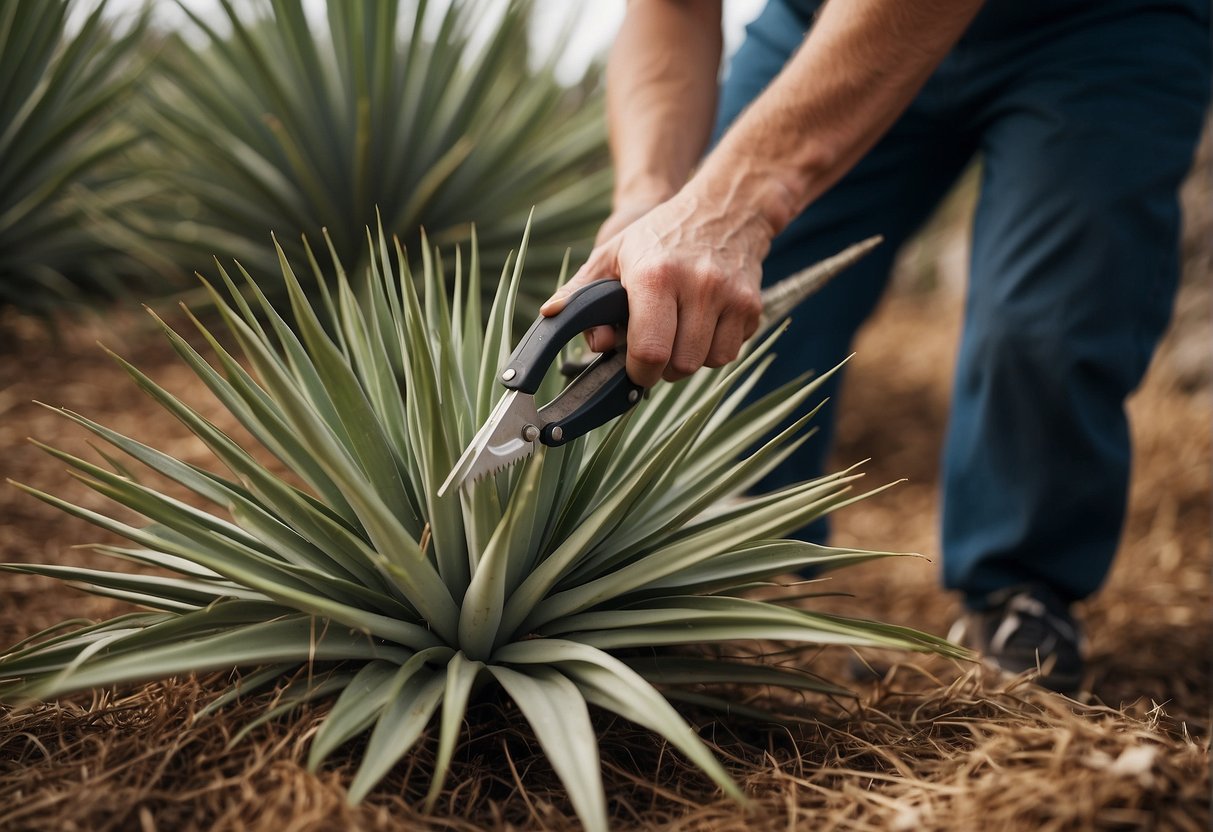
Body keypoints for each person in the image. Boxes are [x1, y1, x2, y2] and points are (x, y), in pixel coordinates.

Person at [541, 0, 1211, 692]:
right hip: (823, 24)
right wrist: (647, 197)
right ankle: (769, 589)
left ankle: (1019, 597)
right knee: (733, 310)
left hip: (1100, 25)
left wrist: (728, 205)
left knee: (1044, 327)